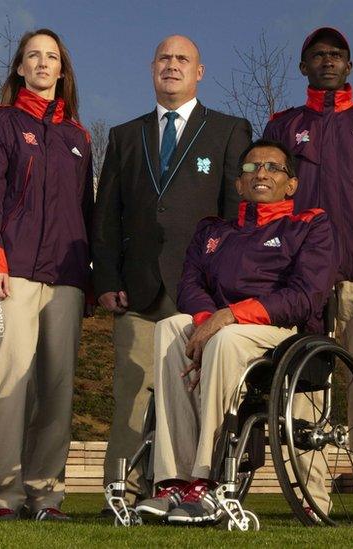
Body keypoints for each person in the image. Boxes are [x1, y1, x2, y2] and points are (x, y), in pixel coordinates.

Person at [135, 139, 336, 523]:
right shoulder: (213, 230)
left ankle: (208, 481)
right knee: (167, 328)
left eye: (273, 168)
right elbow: (189, 285)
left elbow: (305, 297)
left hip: (281, 333)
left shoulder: (310, 225)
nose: (260, 173)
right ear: (239, 185)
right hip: (217, 325)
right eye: (250, 168)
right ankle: (173, 480)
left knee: (226, 338)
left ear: (291, 185)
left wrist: (228, 316)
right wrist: (208, 319)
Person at [91, 34, 252, 502]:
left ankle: (203, 489)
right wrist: (106, 278)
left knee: (199, 394)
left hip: (200, 293)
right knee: (132, 395)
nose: (173, 65)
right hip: (137, 291)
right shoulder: (125, 136)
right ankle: (123, 493)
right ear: (151, 68)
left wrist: (227, 288)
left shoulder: (228, 129)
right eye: (164, 57)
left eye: (183, 59)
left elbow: (235, 217)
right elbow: (108, 215)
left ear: (199, 72)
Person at [262, 27, 353, 521]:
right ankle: (311, 495)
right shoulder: (282, 124)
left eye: (337, 55)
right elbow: (267, 202)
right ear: (303, 67)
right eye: (317, 55)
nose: (327, 61)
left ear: (350, 66)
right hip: (302, 281)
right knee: (303, 388)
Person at [0, 28, 93, 522]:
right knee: (11, 386)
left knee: (58, 387)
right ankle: (3, 497)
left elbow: (86, 211)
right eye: (33, 57)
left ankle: (45, 495)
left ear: (62, 71)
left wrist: (90, 277)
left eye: (51, 57)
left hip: (66, 279)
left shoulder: (80, 137)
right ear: (20, 68)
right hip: (13, 273)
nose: (43, 64)